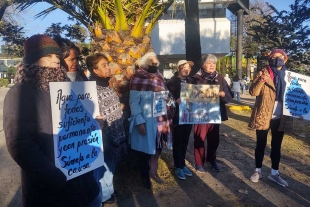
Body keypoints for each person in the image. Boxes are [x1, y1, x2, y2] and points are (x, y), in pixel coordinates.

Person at [3, 34, 101, 207]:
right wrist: (55, 176)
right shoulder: (20, 92)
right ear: (32, 60)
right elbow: (20, 144)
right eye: (48, 56)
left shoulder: (67, 88)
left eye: (57, 55)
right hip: (51, 191)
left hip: (83, 183)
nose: (55, 60)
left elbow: (79, 126)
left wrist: (92, 124)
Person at [86, 53, 127, 205]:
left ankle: (108, 193)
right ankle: (100, 197)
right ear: (94, 70)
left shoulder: (107, 85)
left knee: (111, 167)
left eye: (107, 64)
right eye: (103, 65)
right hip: (103, 138)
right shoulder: (90, 89)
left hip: (116, 135)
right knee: (101, 170)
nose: (108, 67)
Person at [128, 52, 173, 188]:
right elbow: (133, 102)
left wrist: (169, 100)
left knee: (158, 147)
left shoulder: (159, 77)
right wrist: (139, 120)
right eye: (152, 64)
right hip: (146, 121)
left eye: (156, 64)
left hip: (161, 120)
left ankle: (153, 171)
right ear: (144, 64)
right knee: (144, 151)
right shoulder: (137, 77)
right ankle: (144, 176)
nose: (155, 66)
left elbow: (167, 95)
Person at [249, 49, 293, 187]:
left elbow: (296, 97)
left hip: (281, 117)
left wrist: (299, 112)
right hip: (264, 114)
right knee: (260, 144)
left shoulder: (290, 77)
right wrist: (261, 81)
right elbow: (253, 92)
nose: (277, 59)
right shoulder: (263, 72)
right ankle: (258, 171)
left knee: (276, 146)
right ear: (270, 59)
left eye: (280, 57)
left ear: (285, 59)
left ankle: (274, 173)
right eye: (274, 57)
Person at [191, 54, 232, 173]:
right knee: (200, 138)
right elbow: (189, 97)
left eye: (213, 63)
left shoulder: (220, 78)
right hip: (200, 114)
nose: (212, 65)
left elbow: (229, 95)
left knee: (214, 139)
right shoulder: (195, 78)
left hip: (215, 113)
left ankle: (212, 159)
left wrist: (223, 95)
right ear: (203, 65)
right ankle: (199, 163)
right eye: (209, 63)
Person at [167, 60, 194, 180]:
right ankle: (178, 166)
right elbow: (166, 98)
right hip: (177, 117)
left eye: (189, 67)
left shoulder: (191, 81)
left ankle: (182, 164)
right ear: (179, 68)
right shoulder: (172, 81)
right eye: (185, 67)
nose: (187, 69)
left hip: (189, 116)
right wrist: (174, 101)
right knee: (177, 142)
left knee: (185, 141)